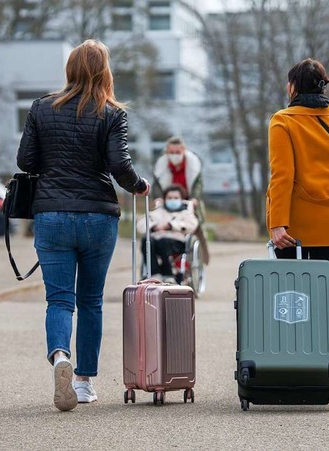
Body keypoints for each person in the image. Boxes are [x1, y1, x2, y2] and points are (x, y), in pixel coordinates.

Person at [16, 40, 150, 411]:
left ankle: (60, 355)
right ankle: (84, 382)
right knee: (91, 301)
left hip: (52, 215)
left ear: (70, 69)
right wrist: (139, 185)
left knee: (59, 299)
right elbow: (119, 164)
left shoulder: (41, 108)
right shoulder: (111, 113)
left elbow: (26, 160)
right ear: (104, 72)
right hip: (97, 216)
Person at [267, 58, 329, 268]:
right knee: (327, 291)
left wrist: (277, 224)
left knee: (293, 293)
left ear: (293, 87)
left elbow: (282, 176)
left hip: (293, 227)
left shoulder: (283, 121)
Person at [153, 136, 209, 265]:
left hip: (188, 203)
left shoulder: (193, 165)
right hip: (168, 203)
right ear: (167, 152)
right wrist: (158, 198)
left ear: (183, 151)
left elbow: (198, 185)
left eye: (177, 152)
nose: (174, 155)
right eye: (171, 153)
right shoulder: (161, 166)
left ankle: (197, 262)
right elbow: (157, 185)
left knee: (193, 229)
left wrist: (195, 199)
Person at [136, 185, 199, 282]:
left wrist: (170, 225)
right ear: (164, 199)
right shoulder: (158, 212)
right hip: (156, 239)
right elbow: (141, 223)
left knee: (163, 242)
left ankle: (168, 274)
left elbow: (192, 225)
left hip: (176, 241)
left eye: (176, 198)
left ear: (181, 199)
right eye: (169, 198)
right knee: (146, 240)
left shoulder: (186, 213)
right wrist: (153, 227)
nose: (172, 200)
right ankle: (154, 273)